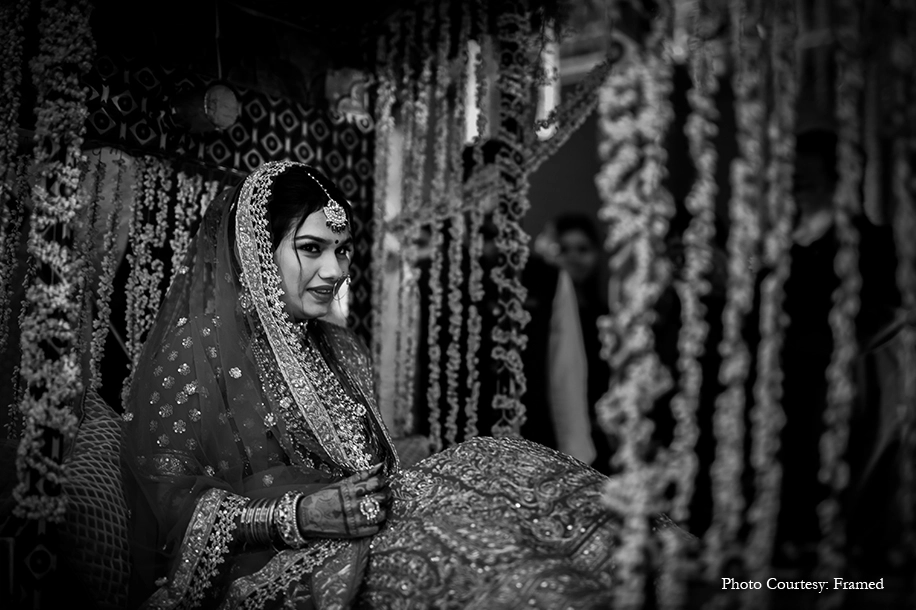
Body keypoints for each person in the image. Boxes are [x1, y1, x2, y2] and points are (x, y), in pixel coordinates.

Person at [120, 161, 630, 609]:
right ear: (256, 250)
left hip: (378, 531)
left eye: (342, 251)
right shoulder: (197, 350)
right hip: (278, 567)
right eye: (311, 249)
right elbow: (169, 508)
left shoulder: (342, 348)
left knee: (518, 483)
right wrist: (299, 514)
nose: (334, 271)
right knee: (494, 573)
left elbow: (373, 466)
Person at [552, 214, 614, 474]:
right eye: (564, 249)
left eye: (583, 250)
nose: (573, 258)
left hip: (599, 436)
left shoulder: (607, 318)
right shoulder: (541, 320)